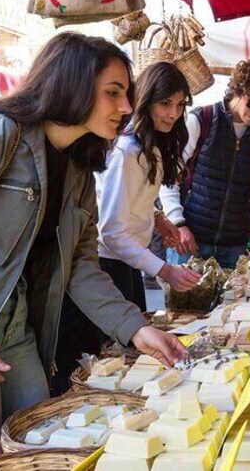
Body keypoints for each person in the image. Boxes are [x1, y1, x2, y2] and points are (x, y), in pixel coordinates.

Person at [0, 32, 185, 470]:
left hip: (16, 330)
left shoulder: (79, 166)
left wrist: (135, 328)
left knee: (39, 450)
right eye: (113, 93)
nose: (128, 107)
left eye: (127, 95)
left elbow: (80, 266)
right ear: (70, 85)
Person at [52, 62, 202, 394]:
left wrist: (158, 217)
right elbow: (112, 232)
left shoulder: (151, 148)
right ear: (145, 101)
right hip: (107, 270)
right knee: (109, 365)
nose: (173, 114)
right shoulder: (125, 152)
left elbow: (134, 200)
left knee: (134, 360)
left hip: (127, 265)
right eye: (165, 104)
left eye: (179, 105)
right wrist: (164, 270)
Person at [161, 59, 250, 268]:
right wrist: (177, 223)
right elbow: (169, 176)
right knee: (181, 300)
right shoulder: (202, 120)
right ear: (238, 91)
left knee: (234, 302)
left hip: (235, 246)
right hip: (190, 238)